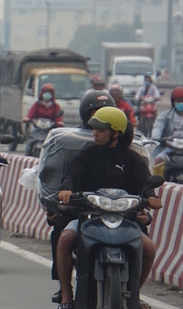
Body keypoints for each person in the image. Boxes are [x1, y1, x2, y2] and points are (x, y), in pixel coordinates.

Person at [56, 107, 162, 309]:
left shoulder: (133, 159)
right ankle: (66, 294)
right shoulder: (86, 154)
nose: (94, 133)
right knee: (65, 239)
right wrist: (66, 189)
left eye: (100, 130)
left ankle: (134, 294)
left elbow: (145, 183)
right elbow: (71, 174)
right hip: (89, 216)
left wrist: (151, 197)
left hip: (125, 219)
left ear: (116, 133)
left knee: (149, 249)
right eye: (93, 129)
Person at [43, 90, 116, 303]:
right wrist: (58, 200)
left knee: (144, 240)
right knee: (61, 233)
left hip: (119, 209)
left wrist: (145, 203)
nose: (99, 126)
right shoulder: (73, 144)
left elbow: (142, 181)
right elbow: (63, 174)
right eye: (95, 117)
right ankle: (64, 290)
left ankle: (135, 292)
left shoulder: (130, 150)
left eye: (105, 117)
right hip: (83, 207)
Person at [23, 83, 64, 155]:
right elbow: (31, 113)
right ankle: (27, 154)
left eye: (49, 93)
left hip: (50, 128)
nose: (47, 94)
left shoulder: (55, 106)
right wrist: (28, 118)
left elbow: (58, 117)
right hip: (37, 127)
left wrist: (59, 122)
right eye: (45, 92)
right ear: (42, 93)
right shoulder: (37, 104)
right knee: (30, 142)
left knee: (56, 143)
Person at [151, 86, 183, 168]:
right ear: (173, 102)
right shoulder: (165, 116)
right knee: (159, 159)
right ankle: (157, 180)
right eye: (178, 101)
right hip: (170, 146)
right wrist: (156, 137)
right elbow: (158, 126)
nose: (181, 103)